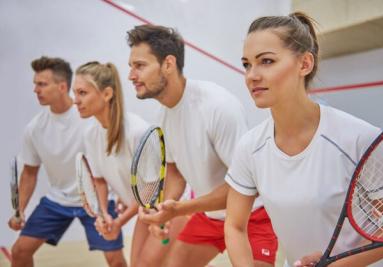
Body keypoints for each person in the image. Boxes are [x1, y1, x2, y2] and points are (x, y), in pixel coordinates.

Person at [223, 12, 383, 267]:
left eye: (267, 61)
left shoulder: (359, 138)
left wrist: (335, 264)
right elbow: (235, 225)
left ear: (304, 64)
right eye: (247, 64)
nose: (252, 75)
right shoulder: (249, 147)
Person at [127, 24, 278, 267]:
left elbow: (247, 186)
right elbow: (175, 173)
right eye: (131, 67)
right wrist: (164, 209)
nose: (131, 76)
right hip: (210, 217)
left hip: (252, 215)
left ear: (168, 64)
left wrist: (179, 209)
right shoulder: (163, 116)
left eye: (140, 66)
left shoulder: (218, 107)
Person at [7, 56, 127, 267]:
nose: (36, 89)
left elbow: (114, 159)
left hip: (97, 200)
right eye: (35, 84)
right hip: (58, 201)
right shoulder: (35, 129)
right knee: (19, 251)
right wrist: (20, 210)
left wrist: (121, 194)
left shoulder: (90, 118)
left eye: (42, 84)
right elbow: (29, 173)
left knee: (115, 261)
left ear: (62, 86)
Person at [73, 61, 188, 267]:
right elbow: (99, 180)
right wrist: (104, 214)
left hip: (172, 207)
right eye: (75, 93)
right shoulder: (90, 134)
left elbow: (152, 190)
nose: (75, 100)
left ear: (107, 94)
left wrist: (119, 222)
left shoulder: (136, 131)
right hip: (147, 210)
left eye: (82, 93)